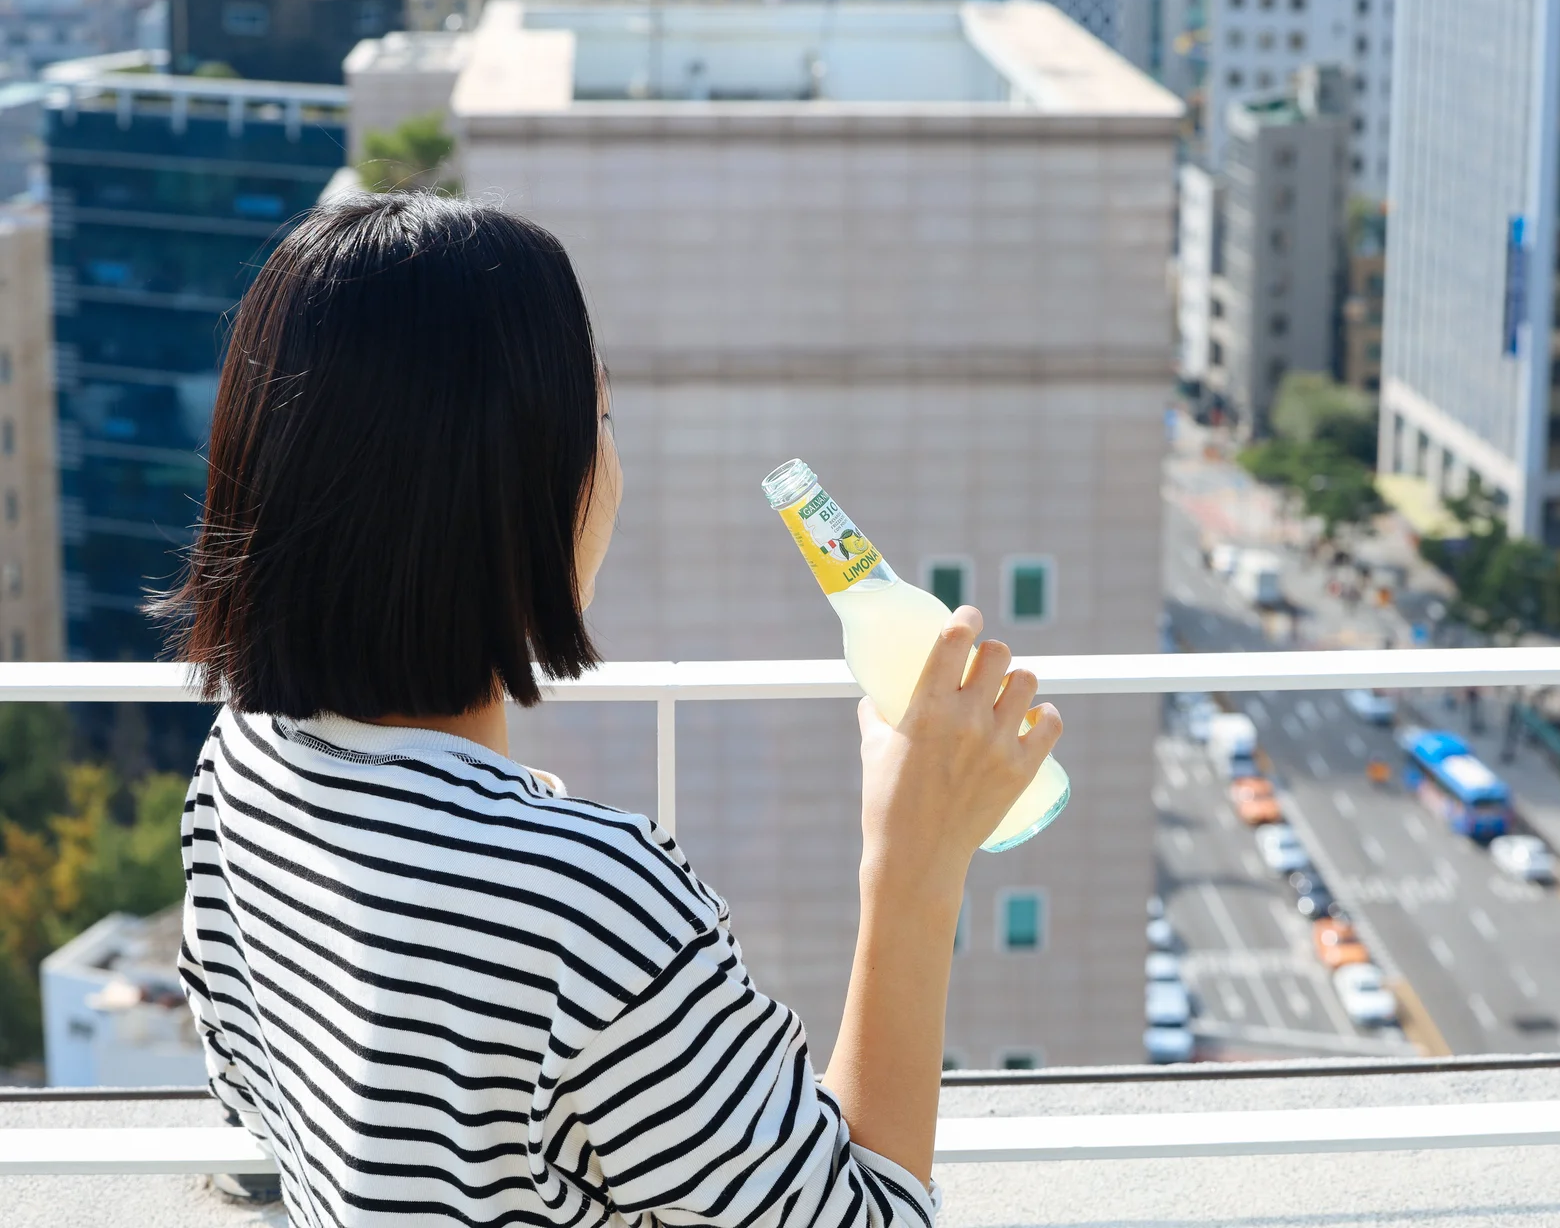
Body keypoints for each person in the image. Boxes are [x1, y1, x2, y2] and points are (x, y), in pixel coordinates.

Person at [155, 192, 1062, 1227]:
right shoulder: (587, 900)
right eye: (600, 416)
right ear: (525, 490)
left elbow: (258, 1097)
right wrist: (915, 862)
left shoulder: (238, 764)